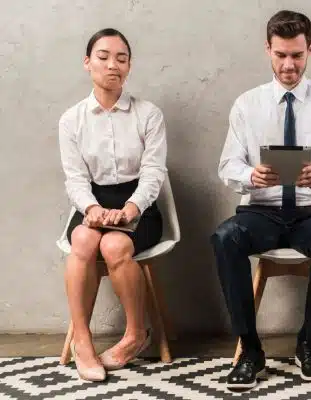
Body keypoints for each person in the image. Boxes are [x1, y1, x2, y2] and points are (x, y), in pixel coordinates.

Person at [211, 10, 311, 390]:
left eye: (297, 55)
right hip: (262, 210)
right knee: (225, 237)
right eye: (281, 55)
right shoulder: (247, 104)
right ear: (268, 50)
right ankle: (251, 350)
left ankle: (308, 343)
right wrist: (250, 175)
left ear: (310, 49)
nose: (289, 65)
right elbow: (227, 165)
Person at [58, 28, 167, 381]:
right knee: (84, 240)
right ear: (87, 63)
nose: (112, 65)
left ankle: (135, 334)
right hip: (94, 200)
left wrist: (133, 207)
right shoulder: (71, 119)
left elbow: (154, 173)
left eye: (121, 58)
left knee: (115, 243)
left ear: (130, 66)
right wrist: (90, 209)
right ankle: (83, 340)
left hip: (140, 203)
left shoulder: (148, 114)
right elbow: (75, 178)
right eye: (103, 57)